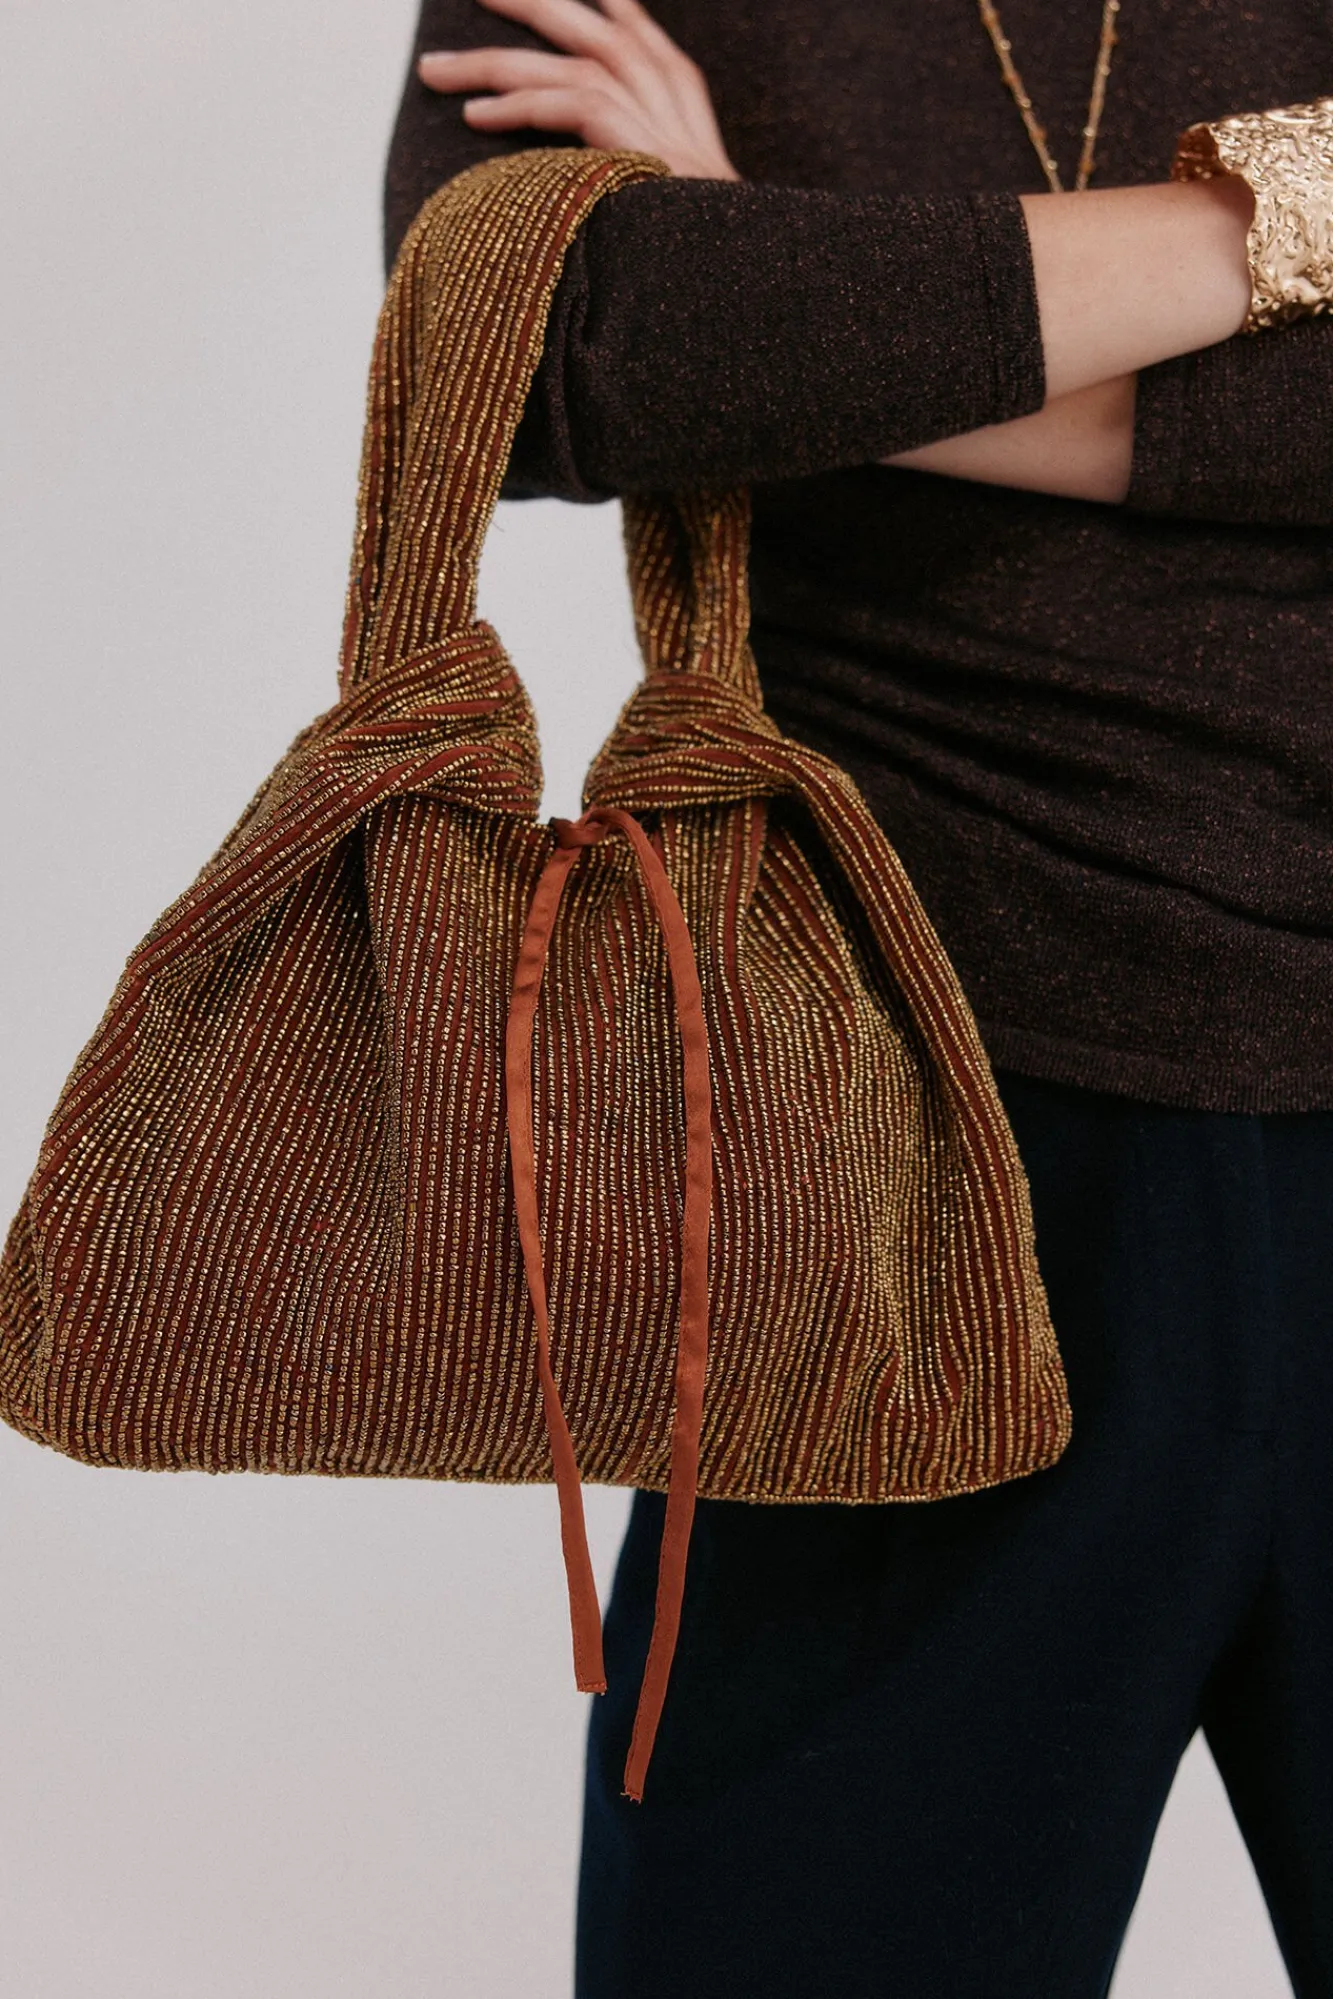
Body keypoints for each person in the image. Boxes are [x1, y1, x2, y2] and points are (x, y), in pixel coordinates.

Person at [384, 3, 1333, 1992]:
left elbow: (706, 329)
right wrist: (1282, 218)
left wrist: (786, 272)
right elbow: (553, 346)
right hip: (887, 1167)